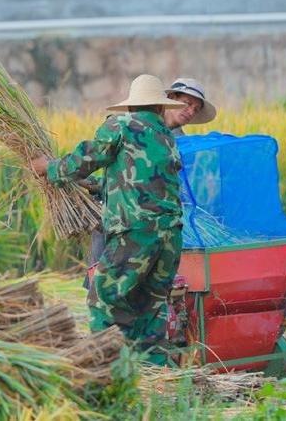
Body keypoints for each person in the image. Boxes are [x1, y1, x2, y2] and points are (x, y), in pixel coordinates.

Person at [29, 74, 186, 365]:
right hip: (170, 237)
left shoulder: (121, 125)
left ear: (131, 106)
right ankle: (156, 376)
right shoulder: (166, 136)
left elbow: (86, 159)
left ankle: (105, 368)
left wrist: (48, 168)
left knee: (104, 298)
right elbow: (143, 183)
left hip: (136, 234)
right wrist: (96, 187)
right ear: (160, 107)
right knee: (150, 308)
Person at [83, 77, 218, 285]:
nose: (190, 111)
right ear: (171, 99)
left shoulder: (182, 144)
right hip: (119, 217)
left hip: (155, 224)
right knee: (102, 277)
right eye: (187, 104)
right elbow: (117, 172)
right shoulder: (130, 126)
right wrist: (93, 184)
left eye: (196, 109)